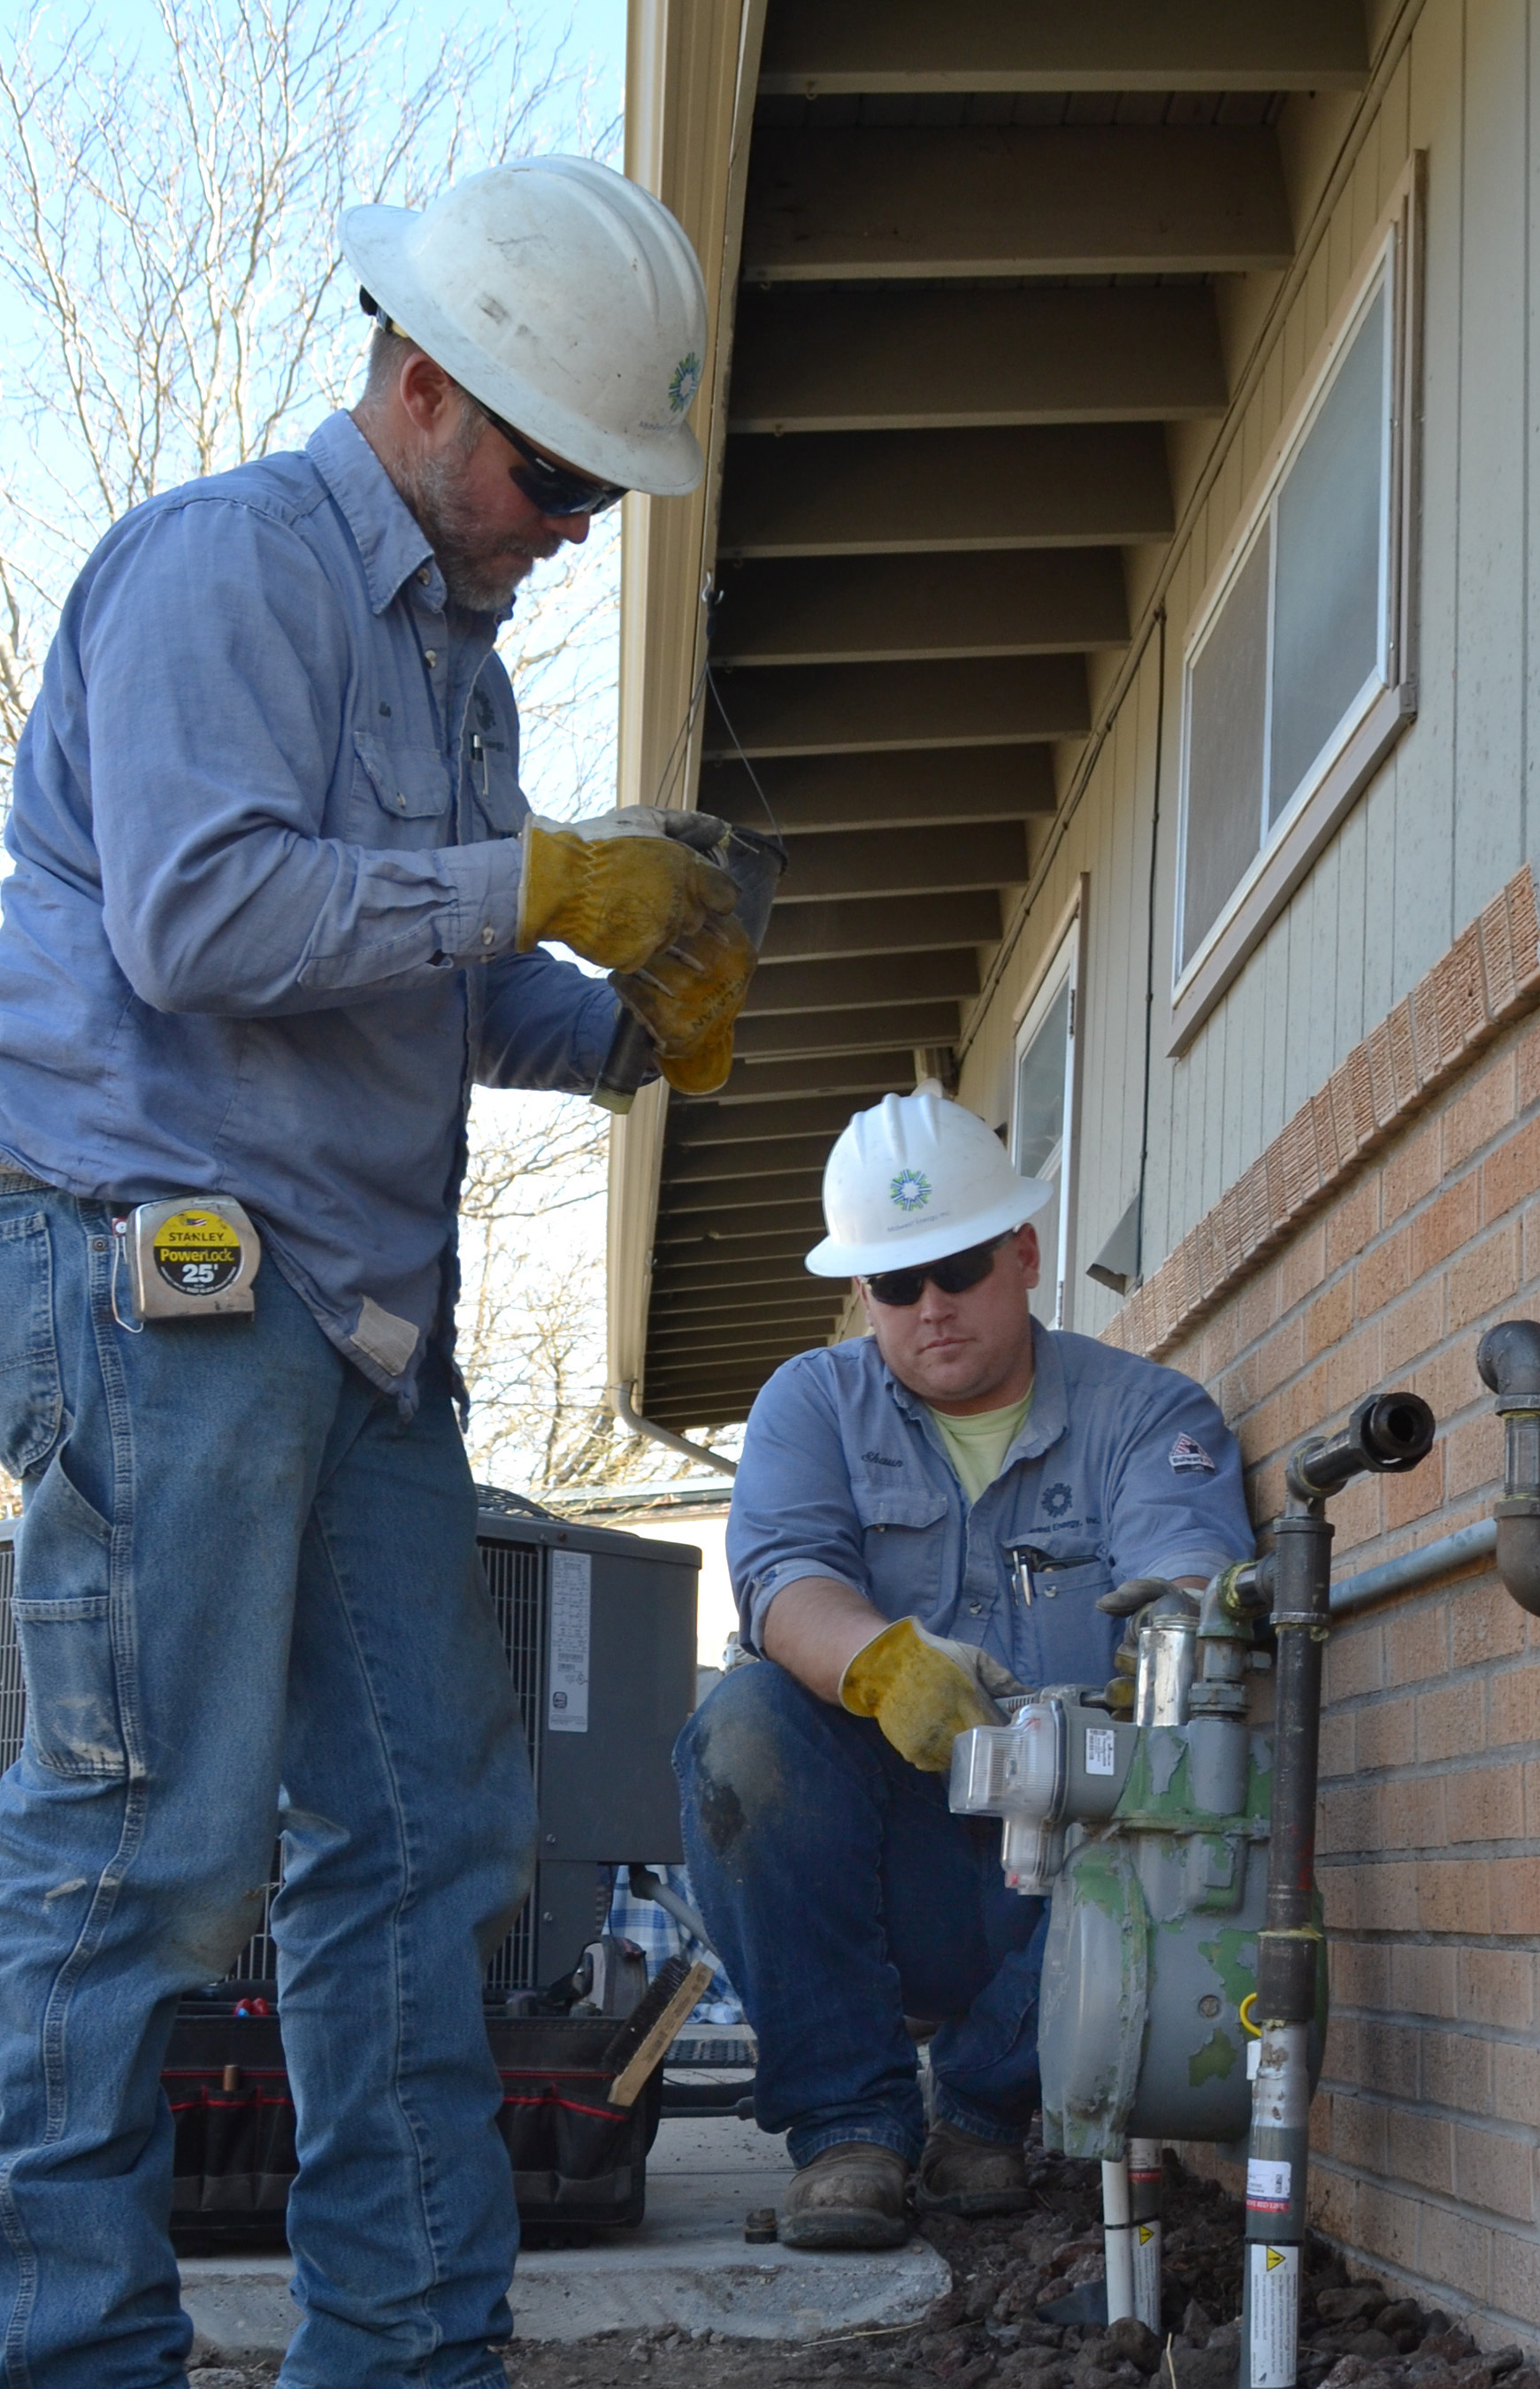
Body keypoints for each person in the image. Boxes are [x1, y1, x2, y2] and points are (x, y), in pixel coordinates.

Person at [0, 157, 751, 2389]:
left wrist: (621, 1020)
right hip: (169, 1278)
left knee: (430, 1850)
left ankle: (411, 2352)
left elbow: (408, 985)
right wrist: (538, 882)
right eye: (554, 470)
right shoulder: (223, 568)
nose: (575, 521)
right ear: (426, 388)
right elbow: (209, 923)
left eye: (605, 489)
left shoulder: (466, 675)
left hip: (359, 1323)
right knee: (143, 1853)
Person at [676, 1089, 1254, 2250]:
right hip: (881, 1859)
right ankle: (851, 2131)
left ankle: (988, 2110)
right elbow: (783, 1578)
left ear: (1023, 1252)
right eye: (896, 1284)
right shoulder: (812, 1403)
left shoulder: (1149, 1416)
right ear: (862, 1294)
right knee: (740, 1729)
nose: (931, 1306)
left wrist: (1142, 1673)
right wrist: (886, 1666)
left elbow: (1190, 1596)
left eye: (960, 1267)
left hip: (1068, 1875)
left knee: (1193, 1758)